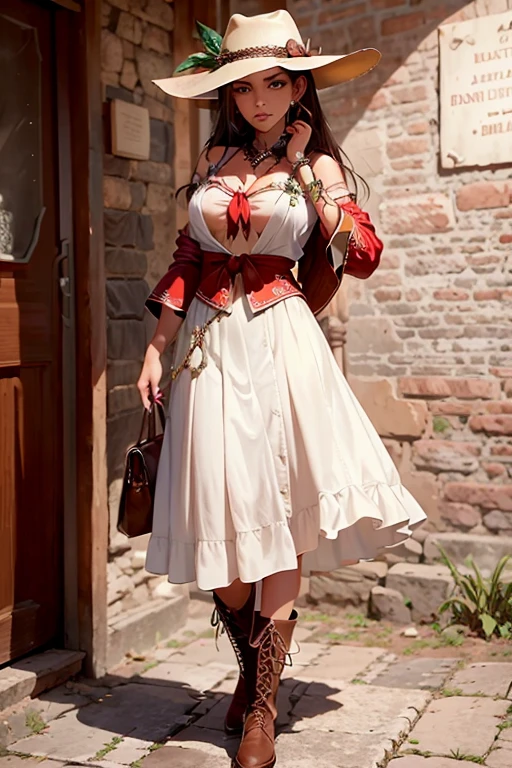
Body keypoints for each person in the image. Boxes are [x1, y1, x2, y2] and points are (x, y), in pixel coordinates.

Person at [137, 10, 426, 768]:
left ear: (299, 85)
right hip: (206, 348)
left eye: (276, 82)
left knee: (281, 517)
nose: (260, 99)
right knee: (224, 531)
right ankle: (250, 664)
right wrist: (154, 344)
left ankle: (260, 710)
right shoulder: (211, 157)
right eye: (244, 86)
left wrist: (302, 170)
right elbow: (186, 258)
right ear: (226, 94)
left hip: (281, 342)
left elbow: (361, 255)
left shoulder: (319, 166)